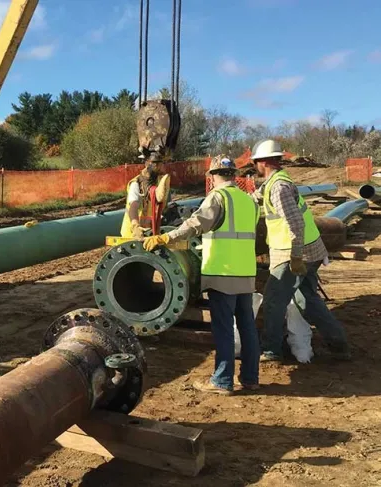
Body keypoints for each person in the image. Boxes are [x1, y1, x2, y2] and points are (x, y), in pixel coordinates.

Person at [143, 156, 260, 395]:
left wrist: (167, 237)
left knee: (224, 329)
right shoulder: (248, 201)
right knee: (247, 327)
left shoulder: (219, 197)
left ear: (212, 175)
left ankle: (222, 381)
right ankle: (250, 378)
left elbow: (196, 224)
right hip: (246, 272)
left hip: (222, 272)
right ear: (233, 174)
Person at [251, 139, 351, 362]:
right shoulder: (274, 182)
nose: (255, 166)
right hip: (310, 250)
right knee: (307, 300)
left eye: (256, 162)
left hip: (294, 253)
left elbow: (296, 224)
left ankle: (271, 350)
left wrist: (296, 257)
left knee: (273, 300)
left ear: (264, 162)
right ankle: (339, 344)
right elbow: (254, 198)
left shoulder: (279, 188)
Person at [120, 155, 171, 239]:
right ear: (148, 164)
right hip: (133, 235)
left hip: (150, 232)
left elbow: (162, 206)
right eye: (160, 163)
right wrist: (135, 226)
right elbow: (133, 206)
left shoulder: (161, 182)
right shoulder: (136, 184)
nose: (163, 166)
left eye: (163, 163)